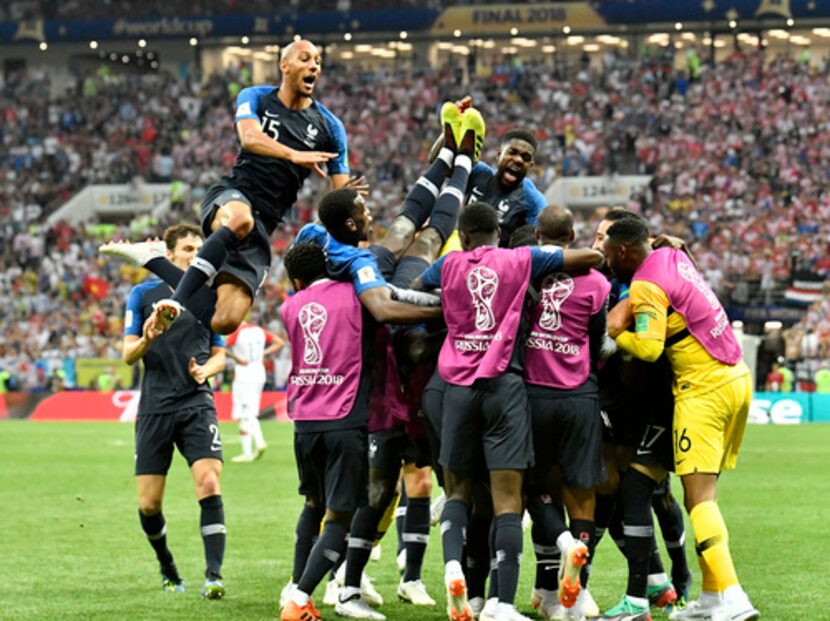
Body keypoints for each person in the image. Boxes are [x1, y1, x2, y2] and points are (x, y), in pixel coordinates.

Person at [413, 201, 603, 621]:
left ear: (462, 237)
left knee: (458, 491)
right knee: (507, 500)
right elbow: (591, 257)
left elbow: (415, 287)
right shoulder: (521, 258)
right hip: (505, 386)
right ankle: (502, 604)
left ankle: (452, 570)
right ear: (498, 232)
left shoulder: (447, 265)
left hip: (457, 390)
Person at [102, 39, 351, 335]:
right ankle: (175, 303)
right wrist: (292, 154)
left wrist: (347, 202)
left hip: (265, 223)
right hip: (232, 194)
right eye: (305, 59)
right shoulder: (255, 96)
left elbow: (338, 195)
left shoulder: (330, 126)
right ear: (284, 65)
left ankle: (154, 258)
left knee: (224, 322)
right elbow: (249, 137)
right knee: (239, 219)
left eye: (318, 62)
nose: (314, 66)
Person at [602, 218, 759, 621]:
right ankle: (711, 596)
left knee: (700, 499)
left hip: (702, 391)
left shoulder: (644, 284)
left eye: (607, 252)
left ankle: (734, 596)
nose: (605, 258)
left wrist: (615, 333)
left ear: (622, 252)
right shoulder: (671, 255)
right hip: (736, 376)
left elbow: (650, 350)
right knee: (698, 495)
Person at [591, 209, 691, 619]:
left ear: (622, 248)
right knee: (617, 495)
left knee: (654, 492)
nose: (596, 246)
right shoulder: (606, 276)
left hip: (652, 398)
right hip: (616, 399)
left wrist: (607, 341)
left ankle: (675, 579)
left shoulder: (647, 279)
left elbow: (631, 338)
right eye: (594, 238)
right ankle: (656, 585)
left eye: (603, 240)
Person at [122, 223, 228, 599]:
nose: (195, 255)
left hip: (196, 403)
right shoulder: (143, 294)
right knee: (149, 503)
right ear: (168, 256)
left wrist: (206, 370)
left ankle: (214, 576)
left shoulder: (209, 297)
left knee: (209, 483)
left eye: (199, 249)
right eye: (187, 249)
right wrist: (148, 339)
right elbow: (126, 355)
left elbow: (220, 355)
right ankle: (167, 567)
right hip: (155, 407)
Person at [519, 206, 612, 620]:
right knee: (583, 493)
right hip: (580, 396)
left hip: (534, 395)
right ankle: (579, 594)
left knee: (536, 489)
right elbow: (598, 341)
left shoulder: (526, 272)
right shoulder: (597, 282)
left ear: (537, 234)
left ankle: (554, 582)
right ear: (573, 235)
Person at [278, 241, 375, 621]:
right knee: (339, 516)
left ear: (297, 279)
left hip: (304, 420)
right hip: (344, 415)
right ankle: (300, 598)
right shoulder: (355, 295)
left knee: (313, 504)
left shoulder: (289, 307)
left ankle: (295, 584)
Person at [226, 320, 284, 462]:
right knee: (249, 411)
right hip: (259, 373)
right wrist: (264, 353)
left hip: (244, 375)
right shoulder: (260, 331)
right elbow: (280, 342)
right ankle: (247, 453)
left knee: (246, 412)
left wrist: (236, 358)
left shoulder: (237, 333)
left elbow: (221, 347)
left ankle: (259, 441)